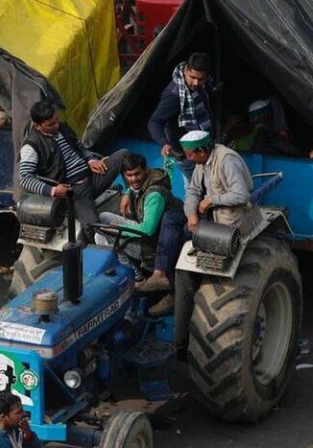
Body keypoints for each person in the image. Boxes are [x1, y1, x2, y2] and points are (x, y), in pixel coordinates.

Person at [96, 152, 185, 315]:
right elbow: (132, 187)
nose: (134, 179)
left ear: (146, 171)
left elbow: (148, 229)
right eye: (129, 175)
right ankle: (122, 275)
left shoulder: (155, 194)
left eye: (137, 174)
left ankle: (136, 278)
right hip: (148, 238)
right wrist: (127, 193)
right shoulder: (138, 187)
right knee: (100, 228)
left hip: (153, 247)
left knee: (106, 228)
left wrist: (117, 230)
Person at [19, 100, 130, 230]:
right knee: (93, 226)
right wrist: (53, 190)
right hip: (74, 191)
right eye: (50, 124)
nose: (56, 126)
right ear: (38, 126)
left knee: (124, 155)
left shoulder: (62, 127)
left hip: (93, 176)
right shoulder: (31, 146)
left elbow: (80, 146)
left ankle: (130, 196)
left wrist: (91, 160)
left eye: (56, 120)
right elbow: (25, 178)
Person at [148, 52, 217, 187]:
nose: (196, 83)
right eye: (192, 77)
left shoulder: (204, 84)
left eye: (200, 79)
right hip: (188, 156)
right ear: (185, 70)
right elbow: (154, 122)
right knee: (198, 190)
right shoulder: (174, 94)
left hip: (205, 149)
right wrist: (164, 143)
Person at [181, 130, 263, 237]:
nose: (188, 159)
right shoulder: (201, 161)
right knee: (183, 227)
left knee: (197, 235)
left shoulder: (227, 160)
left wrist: (211, 200)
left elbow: (242, 195)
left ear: (201, 151)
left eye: (190, 155)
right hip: (214, 213)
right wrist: (191, 214)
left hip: (233, 219)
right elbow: (193, 190)